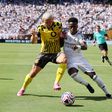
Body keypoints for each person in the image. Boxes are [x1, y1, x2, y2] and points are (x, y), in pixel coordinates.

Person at [17, 12, 66, 96]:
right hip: (44, 53)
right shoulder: (40, 28)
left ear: (53, 20)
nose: (48, 23)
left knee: (65, 59)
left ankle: (56, 83)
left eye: (50, 21)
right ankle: (23, 88)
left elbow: (61, 36)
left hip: (56, 52)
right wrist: (33, 35)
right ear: (43, 21)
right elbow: (34, 42)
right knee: (33, 72)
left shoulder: (58, 25)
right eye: (46, 22)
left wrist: (62, 37)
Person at [63, 17, 111, 98]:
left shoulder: (80, 35)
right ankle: (87, 84)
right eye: (70, 26)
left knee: (94, 76)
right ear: (68, 26)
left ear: (77, 25)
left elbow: (85, 47)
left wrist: (78, 47)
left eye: (74, 26)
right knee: (72, 73)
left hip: (80, 59)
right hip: (70, 59)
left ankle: (107, 93)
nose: (72, 28)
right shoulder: (65, 34)